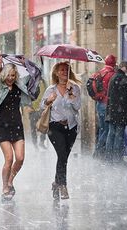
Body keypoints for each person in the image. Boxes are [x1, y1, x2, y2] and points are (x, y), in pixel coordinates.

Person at [0, 53, 34, 201]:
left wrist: (25, 64)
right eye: (8, 75)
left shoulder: (19, 86)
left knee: (20, 158)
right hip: (2, 126)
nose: (11, 78)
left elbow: (34, 76)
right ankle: (4, 187)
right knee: (9, 158)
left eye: (13, 75)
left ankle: (10, 181)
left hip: (17, 126)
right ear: (4, 75)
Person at [40, 61, 81, 200]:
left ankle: (56, 182)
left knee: (63, 157)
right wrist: (48, 101)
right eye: (62, 70)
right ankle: (63, 185)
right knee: (62, 154)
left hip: (71, 127)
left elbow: (77, 107)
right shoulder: (51, 90)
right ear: (57, 73)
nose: (64, 72)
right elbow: (41, 106)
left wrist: (72, 98)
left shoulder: (74, 88)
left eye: (67, 70)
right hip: (55, 127)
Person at [105, 61, 127, 164]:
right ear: (124, 67)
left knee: (111, 134)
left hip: (112, 110)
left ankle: (109, 158)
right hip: (120, 112)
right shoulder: (122, 78)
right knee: (119, 135)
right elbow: (125, 97)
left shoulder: (114, 76)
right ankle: (117, 159)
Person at [93, 54, 117, 160]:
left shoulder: (99, 73)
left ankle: (99, 152)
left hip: (99, 103)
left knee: (102, 129)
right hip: (108, 104)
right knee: (107, 130)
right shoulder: (112, 74)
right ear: (114, 63)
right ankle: (99, 153)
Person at [27, 78, 47, 150]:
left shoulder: (43, 81)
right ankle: (35, 144)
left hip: (42, 107)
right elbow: (27, 94)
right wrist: (28, 106)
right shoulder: (30, 82)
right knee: (33, 128)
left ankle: (41, 142)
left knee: (44, 125)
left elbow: (46, 93)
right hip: (33, 108)